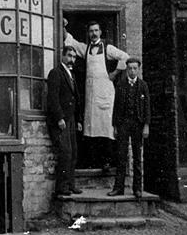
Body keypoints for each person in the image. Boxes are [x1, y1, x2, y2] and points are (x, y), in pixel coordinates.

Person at [64, 19, 128, 173]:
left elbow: (125, 56)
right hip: (91, 94)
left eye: (96, 31)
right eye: (91, 31)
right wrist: (63, 26)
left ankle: (107, 162)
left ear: (100, 32)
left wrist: (115, 73)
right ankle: (94, 161)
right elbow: (70, 41)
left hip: (105, 93)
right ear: (88, 33)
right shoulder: (85, 49)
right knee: (91, 128)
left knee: (106, 128)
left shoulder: (107, 48)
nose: (93, 34)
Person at [108, 57, 150, 198]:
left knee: (137, 157)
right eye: (130, 68)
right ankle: (118, 188)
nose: (132, 71)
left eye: (135, 68)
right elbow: (116, 106)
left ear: (138, 69)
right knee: (121, 156)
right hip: (123, 124)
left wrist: (146, 126)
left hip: (138, 124)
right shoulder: (121, 85)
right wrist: (115, 126)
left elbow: (147, 108)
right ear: (126, 69)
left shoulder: (143, 86)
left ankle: (137, 189)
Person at [47, 45, 83, 197]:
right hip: (61, 120)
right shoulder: (56, 73)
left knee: (73, 152)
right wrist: (60, 118)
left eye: (74, 57)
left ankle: (71, 184)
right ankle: (61, 187)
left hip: (71, 119)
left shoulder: (71, 74)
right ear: (62, 56)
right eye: (69, 56)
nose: (71, 59)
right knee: (65, 152)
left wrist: (78, 119)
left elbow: (76, 99)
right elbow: (53, 98)